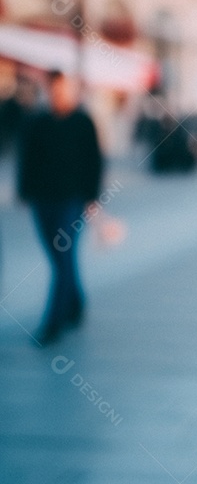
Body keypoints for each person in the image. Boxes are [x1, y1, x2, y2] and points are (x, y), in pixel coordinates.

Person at [16, 70, 103, 346]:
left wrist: (91, 197)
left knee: (62, 257)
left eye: (63, 89)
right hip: (43, 201)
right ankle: (76, 301)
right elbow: (26, 158)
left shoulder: (83, 122)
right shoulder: (37, 122)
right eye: (54, 89)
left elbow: (94, 161)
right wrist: (24, 191)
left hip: (72, 201)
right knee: (58, 257)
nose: (58, 95)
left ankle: (53, 322)